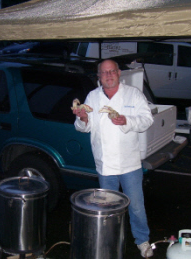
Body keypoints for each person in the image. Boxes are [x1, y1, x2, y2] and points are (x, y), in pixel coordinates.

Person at [73, 59, 154, 258]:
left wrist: (127, 120)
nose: (108, 75)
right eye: (104, 72)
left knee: (135, 205)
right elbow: (84, 126)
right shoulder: (92, 96)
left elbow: (147, 120)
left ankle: (142, 241)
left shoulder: (133, 93)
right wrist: (82, 118)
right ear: (98, 76)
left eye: (112, 71)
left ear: (119, 74)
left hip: (129, 163)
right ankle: (107, 241)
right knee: (106, 207)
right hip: (105, 164)